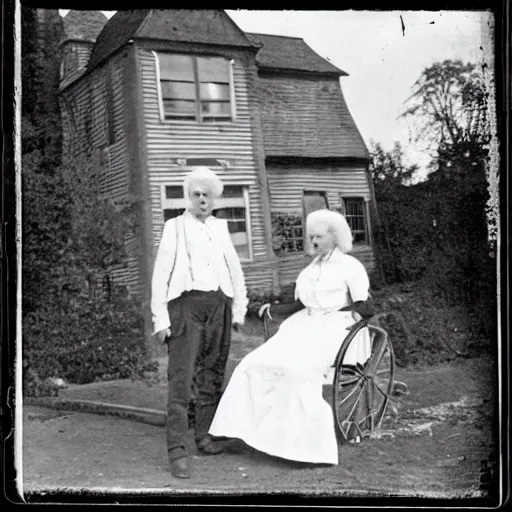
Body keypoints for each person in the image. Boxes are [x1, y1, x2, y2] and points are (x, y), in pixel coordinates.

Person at [208, 209, 374, 466]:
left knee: (297, 371)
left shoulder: (350, 267)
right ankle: (243, 432)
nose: (314, 242)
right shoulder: (310, 269)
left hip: (336, 329)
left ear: (334, 236)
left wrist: (355, 314)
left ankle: (305, 448)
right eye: (311, 237)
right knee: (251, 364)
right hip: (303, 327)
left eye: (318, 237)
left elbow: (366, 306)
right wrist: (273, 310)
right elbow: (301, 304)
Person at [151, 167, 248, 479]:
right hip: (186, 307)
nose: (202, 199)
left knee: (212, 374)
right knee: (181, 379)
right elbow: (160, 274)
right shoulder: (175, 227)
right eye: (197, 194)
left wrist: (239, 309)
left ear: (214, 198)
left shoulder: (220, 228)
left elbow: (235, 269)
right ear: (188, 196)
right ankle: (176, 451)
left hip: (219, 305)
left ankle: (204, 437)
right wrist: (160, 318)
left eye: (208, 194)